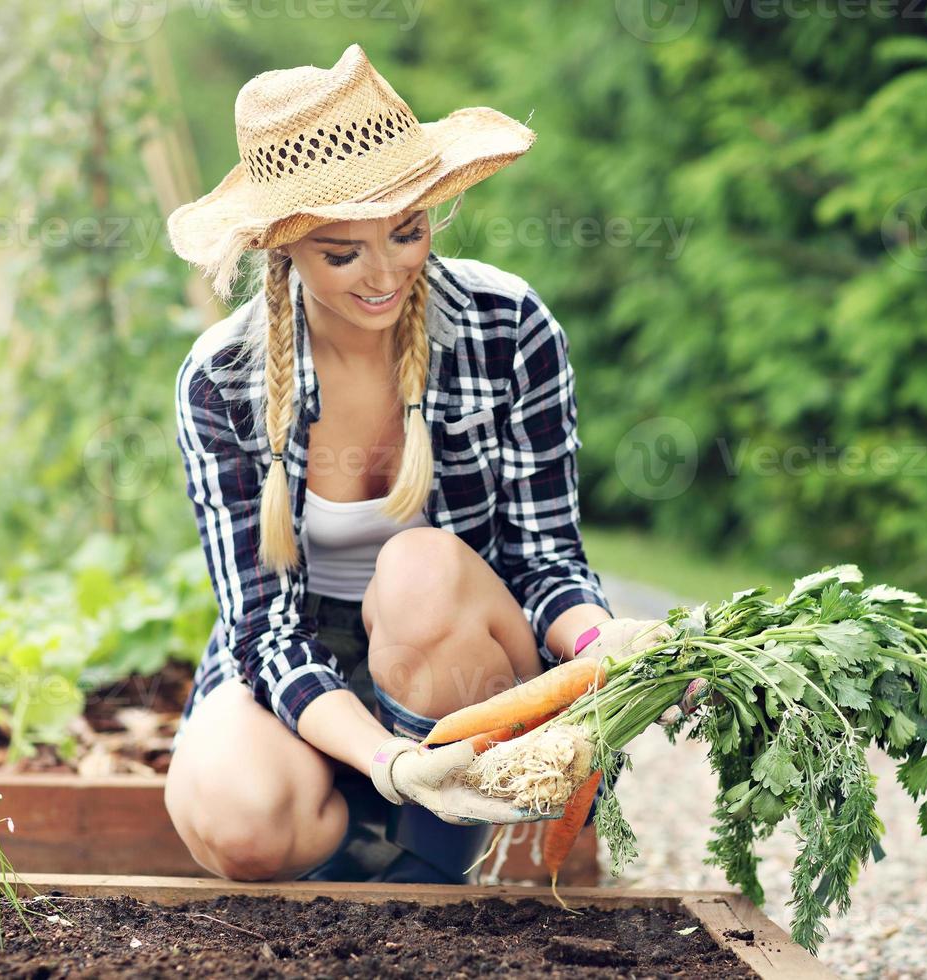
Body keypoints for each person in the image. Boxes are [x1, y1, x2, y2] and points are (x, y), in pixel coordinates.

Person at [161, 43, 673, 885]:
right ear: (284, 248)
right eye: (342, 252)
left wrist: (605, 643)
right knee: (237, 817)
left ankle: (430, 878)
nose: (386, 272)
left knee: (419, 569)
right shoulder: (222, 380)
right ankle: (376, 854)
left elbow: (546, 559)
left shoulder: (508, 327)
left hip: (458, 655)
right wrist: (389, 761)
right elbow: (262, 630)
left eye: (408, 231)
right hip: (303, 661)